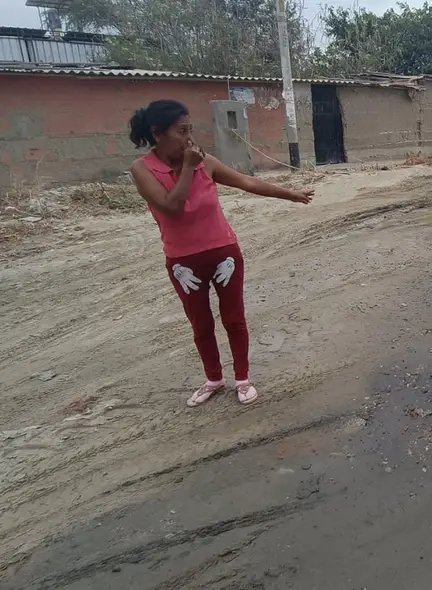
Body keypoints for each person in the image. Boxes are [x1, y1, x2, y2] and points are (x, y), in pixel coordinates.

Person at [127, 100, 313, 407]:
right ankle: (214, 378)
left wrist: (290, 194)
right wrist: (188, 167)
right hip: (183, 263)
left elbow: (247, 182)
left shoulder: (205, 162)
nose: (189, 138)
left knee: (234, 319)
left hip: (223, 254)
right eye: (181, 131)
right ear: (158, 134)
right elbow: (172, 207)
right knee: (201, 325)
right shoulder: (143, 170)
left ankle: (243, 379)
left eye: (190, 130)